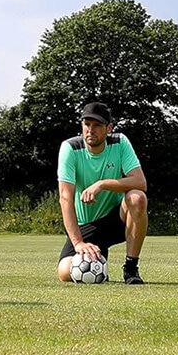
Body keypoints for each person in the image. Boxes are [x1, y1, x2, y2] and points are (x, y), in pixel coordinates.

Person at [56, 101, 148, 284]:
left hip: (115, 220)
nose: (91, 130)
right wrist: (78, 243)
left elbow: (140, 182)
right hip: (85, 225)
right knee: (65, 273)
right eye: (87, 124)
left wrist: (102, 184)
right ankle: (99, 266)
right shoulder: (70, 148)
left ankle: (131, 268)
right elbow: (65, 198)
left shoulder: (120, 142)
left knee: (137, 197)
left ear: (109, 128)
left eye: (97, 125)